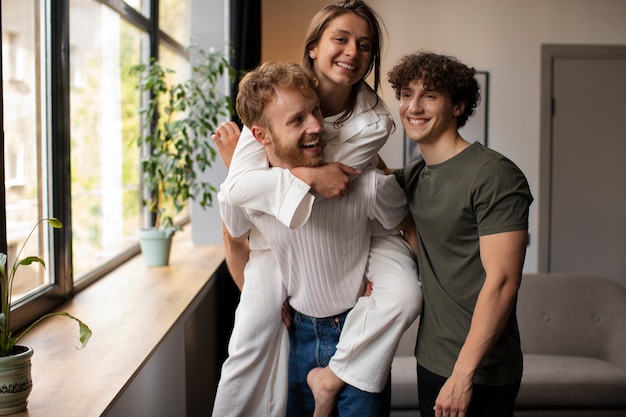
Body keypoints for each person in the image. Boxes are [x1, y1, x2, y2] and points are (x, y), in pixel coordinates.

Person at [211, 1, 422, 416]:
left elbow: (335, 174)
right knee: (249, 336)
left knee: (404, 294)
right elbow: (240, 195)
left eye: (364, 45)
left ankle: (334, 377)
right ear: (312, 47)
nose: (352, 51)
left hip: (349, 221)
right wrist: (300, 177)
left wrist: (277, 171)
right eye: (340, 39)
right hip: (282, 241)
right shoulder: (275, 98)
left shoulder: (373, 123)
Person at [388, 51, 534, 417]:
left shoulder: (495, 175)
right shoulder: (415, 177)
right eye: (406, 94)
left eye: (430, 95)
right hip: (431, 357)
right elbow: (357, 174)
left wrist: (463, 374)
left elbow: (502, 282)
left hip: (479, 369)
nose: (413, 106)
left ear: (458, 106)